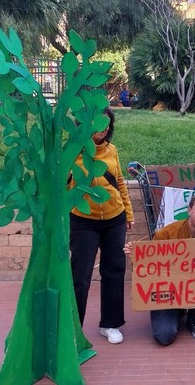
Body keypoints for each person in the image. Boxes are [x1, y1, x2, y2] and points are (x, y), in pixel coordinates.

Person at [124, 192, 195, 345]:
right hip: (166, 293)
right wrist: (136, 258)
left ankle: (194, 318)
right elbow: (147, 270)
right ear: (189, 210)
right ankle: (177, 310)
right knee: (164, 336)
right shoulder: (166, 234)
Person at [70, 107, 134, 344]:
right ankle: (73, 328)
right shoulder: (72, 153)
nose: (105, 128)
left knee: (115, 270)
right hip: (83, 221)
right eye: (100, 124)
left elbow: (119, 182)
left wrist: (128, 213)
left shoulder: (112, 150)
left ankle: (111, 323)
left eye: (109, 124)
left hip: (114, 218)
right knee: (80, 275)